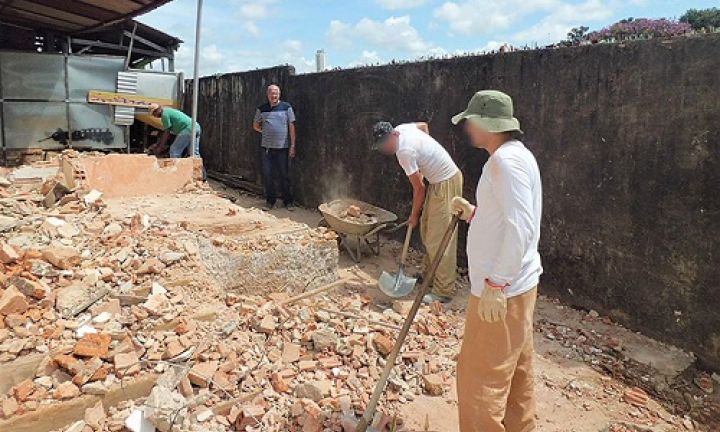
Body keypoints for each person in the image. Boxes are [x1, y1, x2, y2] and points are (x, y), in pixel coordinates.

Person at [450, 90, 542, 432]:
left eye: (470, 120)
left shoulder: (505, 161)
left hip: (503, 291)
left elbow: (521, 225)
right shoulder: (517, 156)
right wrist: (474, 215)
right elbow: (508, 218)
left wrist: (496, 284)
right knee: (516, 371)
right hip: (517, 287)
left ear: (486, 123)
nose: (467, 127)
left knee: (479, 380)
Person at [372, 120, 463, 303]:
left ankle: (443, 291)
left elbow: (419, 188)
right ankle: (430, 276)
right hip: (437, 182)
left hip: (446, 183)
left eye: (385, 144)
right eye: (380, 146)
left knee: (440, 237)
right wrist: (426, 157)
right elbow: (423, 125)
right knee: (428, 229)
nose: (384, 149)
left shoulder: (404, 152)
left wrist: (413, 215)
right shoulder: (402, 128)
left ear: (393, 136)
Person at [253, 84, 297, 210]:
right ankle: (270, 201)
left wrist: (293, 145)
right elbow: (255, 125)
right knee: (268, 175)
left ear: (279, 94)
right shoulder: (262, 109)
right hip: (266, 148)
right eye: (272, 93)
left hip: (282, 147)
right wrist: (264, 132)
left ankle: (288, 201)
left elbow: (292, 127)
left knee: (284, 175)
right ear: (268, 94)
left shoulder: (286, 107)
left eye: (276, 93)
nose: (274, 95)